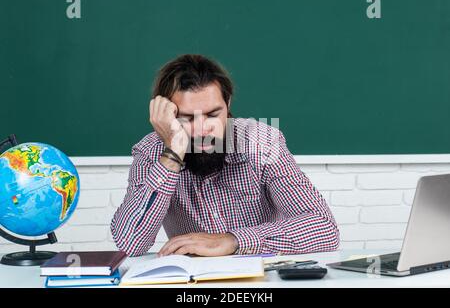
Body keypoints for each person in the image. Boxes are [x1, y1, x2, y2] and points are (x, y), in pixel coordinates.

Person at [110, 54, 339, 257]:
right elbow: (130, 244)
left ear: (227, 104)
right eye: (187, 118)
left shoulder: (262, 142)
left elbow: (324, 229)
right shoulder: (151, 152)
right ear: (167, 116)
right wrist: (172, 153)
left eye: (212, 114)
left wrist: (233, 240)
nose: (202, 130)